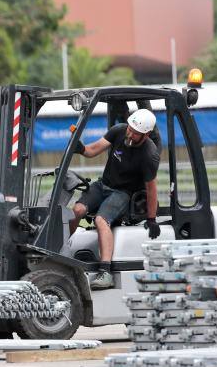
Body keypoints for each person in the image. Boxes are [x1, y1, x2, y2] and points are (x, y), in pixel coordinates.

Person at [69, 109, 161, 289]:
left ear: (147, 134)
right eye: (130, 128)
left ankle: (105, 273)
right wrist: (80, 148)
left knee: (101, 220)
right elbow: (91, 150)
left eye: (136, 133)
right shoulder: (119, 130)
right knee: (76, 211)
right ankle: (63, 253)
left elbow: (152, 189)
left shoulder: (149, 155)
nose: (130, 134)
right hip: (103, 185)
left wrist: (152, 219)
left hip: (123, 193)